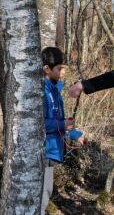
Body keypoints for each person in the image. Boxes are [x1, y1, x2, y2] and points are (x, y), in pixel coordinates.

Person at [41, 47, 85, 213]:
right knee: (42, 195)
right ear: (47, 69)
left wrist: (75, 134)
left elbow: (60, 123)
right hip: (45, 151)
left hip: (53, 151)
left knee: (46, 193)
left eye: (64, 67)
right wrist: (62, 125)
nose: (63, 71)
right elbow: (40, 124)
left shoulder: (56, 92)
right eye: (60, 68)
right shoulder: (43, 93)